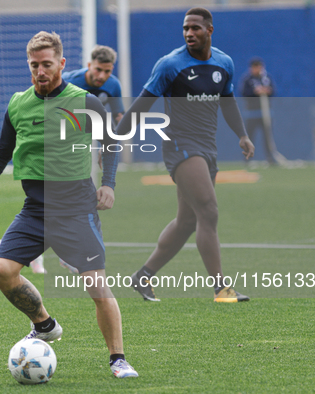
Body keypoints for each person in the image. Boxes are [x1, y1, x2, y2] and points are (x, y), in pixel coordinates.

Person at [0, 31, 138, 378]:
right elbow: (1, 153)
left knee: (96, 284)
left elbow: (111, 143)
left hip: (76, 208)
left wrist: (109, 185)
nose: (40, 71)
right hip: (36, 209)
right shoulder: (18, 103)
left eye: (46, 64)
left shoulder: (86, 102)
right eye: (34, 65)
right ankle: (43, 324)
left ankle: (118, 358)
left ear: (61, 63)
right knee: (1, 271)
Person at [117, 8, 255, 302]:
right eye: (185, 29)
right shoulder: (170, 65)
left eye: (195, 28)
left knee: (187, 221)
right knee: (209, 210)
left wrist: (242, 134)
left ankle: (143, 276)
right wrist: (116, 133)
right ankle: (221, 288)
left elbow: (228, 102)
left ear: (210, 30)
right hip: (180, 146)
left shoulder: (224, 63)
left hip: (207, 148)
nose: (189, 33)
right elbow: (142, 104)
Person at [28, 45, 126, 276]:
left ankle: (65, 254)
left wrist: (109, 146)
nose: (102, 76)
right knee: (53, 201)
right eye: (99, 70)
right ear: (89, 65)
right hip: (56, 146)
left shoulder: (113, 85)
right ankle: (48, 253)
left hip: (83, 143)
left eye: (108, 71)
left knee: (75, 199)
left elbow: (118, 117)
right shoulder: (69, 81)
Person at [239, 57, 285, 166]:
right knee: (249, 137)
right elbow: (244, 93)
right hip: (252, 114)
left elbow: (273, 91)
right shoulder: (247, 79)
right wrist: (255, 91)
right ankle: (247, 159)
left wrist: (267, 90)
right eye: (255, 67)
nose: (257, 69)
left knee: (267, 137)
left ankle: (270, 158)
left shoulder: (266, 78)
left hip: (265, 114)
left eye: (259, 67)